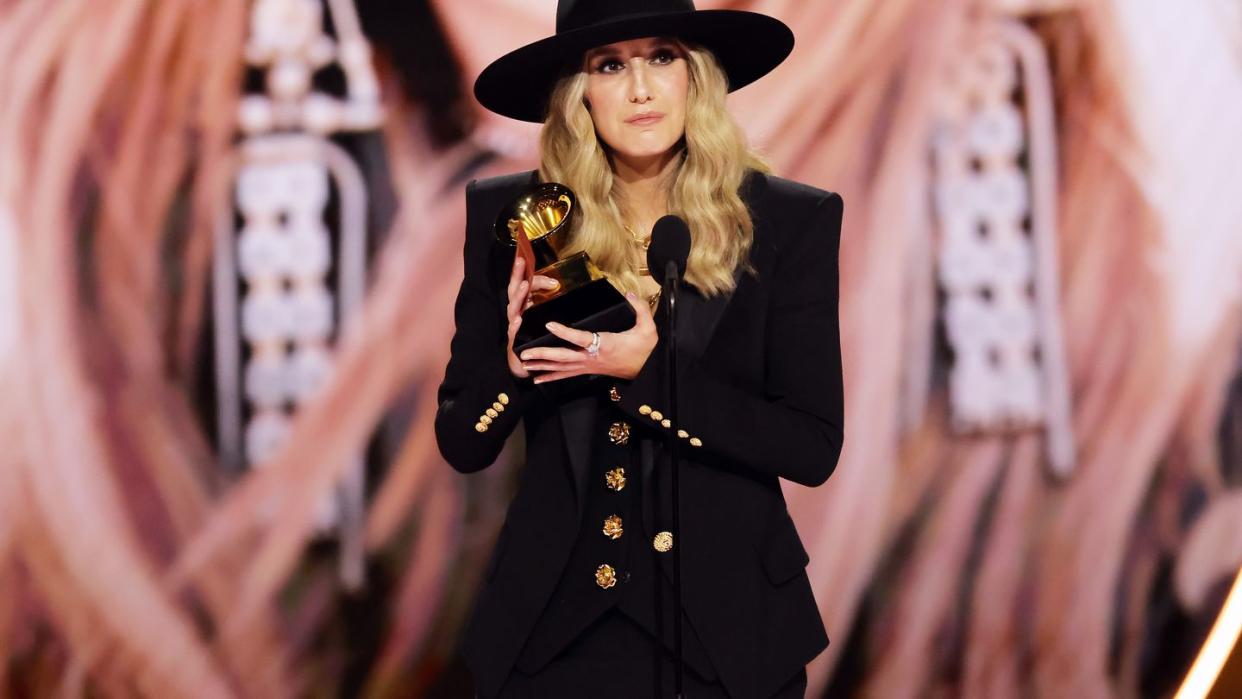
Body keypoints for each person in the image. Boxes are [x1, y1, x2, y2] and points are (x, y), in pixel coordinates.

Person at [434, 1, 844, 696]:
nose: (641, 88)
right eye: (611, 66)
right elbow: (463, 440)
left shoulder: (789, 221)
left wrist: (648, 375)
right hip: (554, 632)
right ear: (578, 91)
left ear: (697, 76)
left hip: (729, 631)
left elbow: (812, 447)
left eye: (662, 57)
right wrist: (510, 367)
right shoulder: (518, 219)